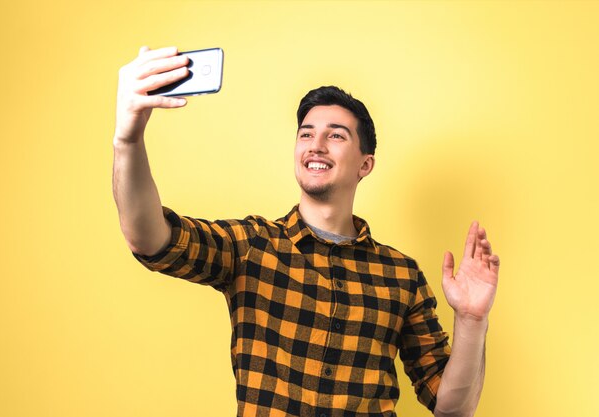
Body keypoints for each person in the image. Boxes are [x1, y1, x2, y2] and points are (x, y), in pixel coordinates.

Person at [112, 46, 500, 417]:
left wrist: (471, 319)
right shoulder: (252, 246)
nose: (315, 145)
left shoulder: (402, 276)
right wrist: (127, 140)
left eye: (335, 135)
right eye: (305, 133)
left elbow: (453, 408)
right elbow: (151, 239)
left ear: (365, 164)